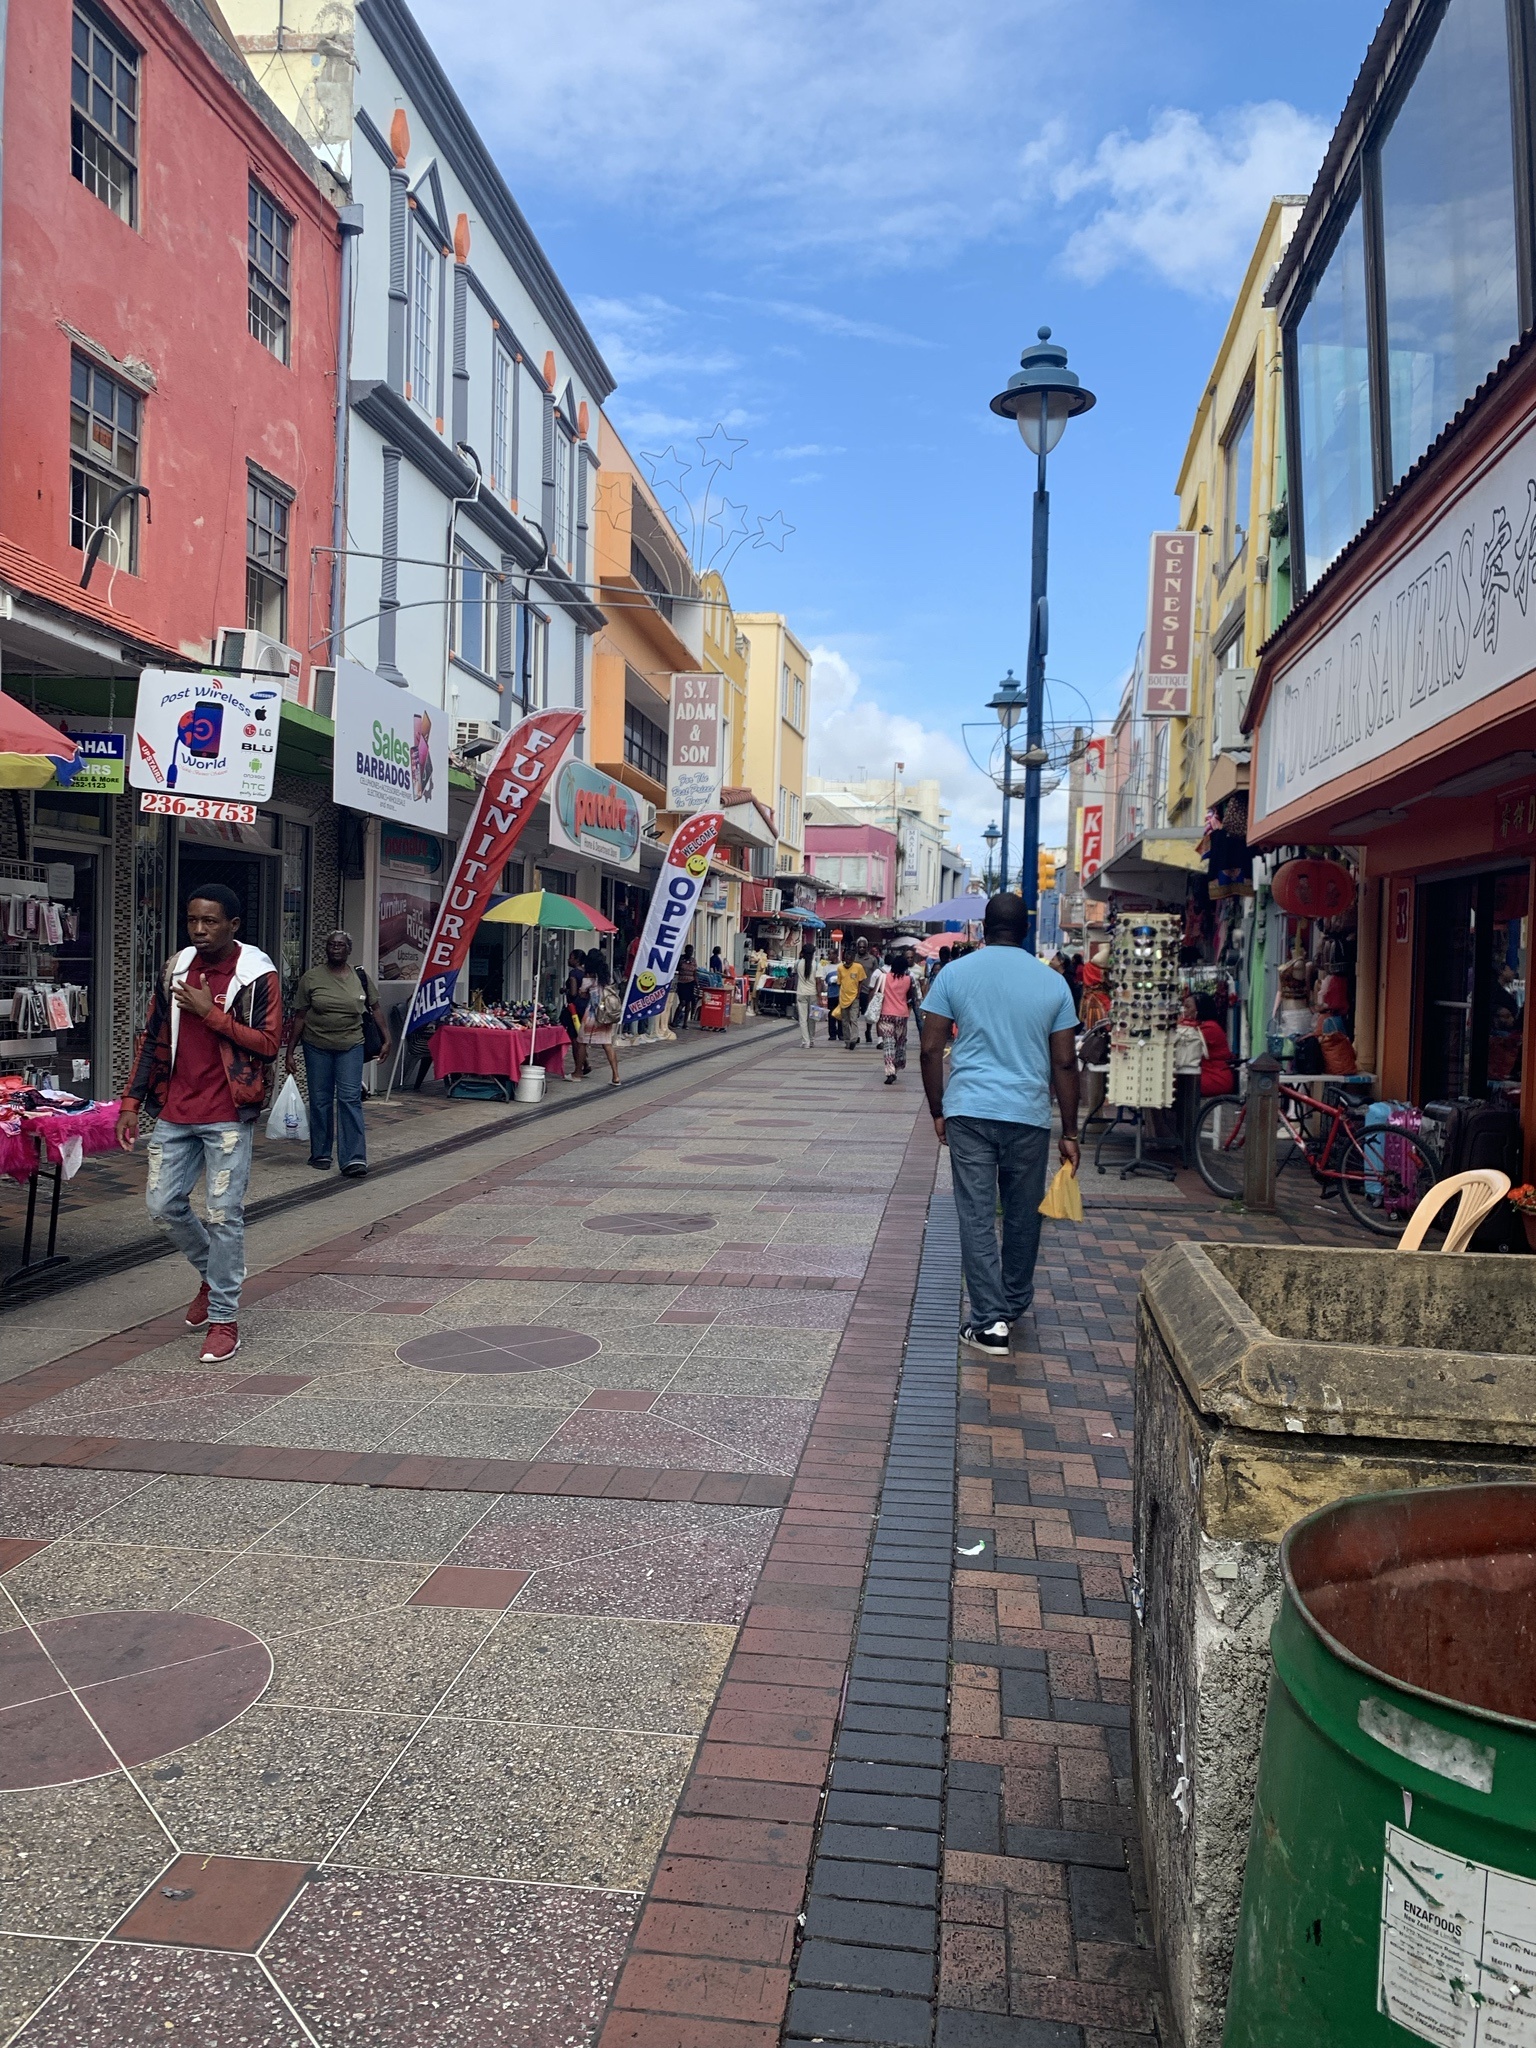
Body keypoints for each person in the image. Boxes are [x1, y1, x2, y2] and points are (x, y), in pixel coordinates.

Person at [115, 885, 282, 1364]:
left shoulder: (257, 975)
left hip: (228, 1113)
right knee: (163, 1207)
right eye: (192, 920)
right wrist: (131, 1101)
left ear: (233, 924)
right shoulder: (176, 968)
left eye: (210, 921)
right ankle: (215, 1276)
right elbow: (152, 1038)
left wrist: (211, 1014)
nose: (200, 930)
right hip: (174, 1111)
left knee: (224, 1214)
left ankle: (225, 1318)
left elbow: (269, 1043)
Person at [919, 893, 1079, 1357]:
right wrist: (1069, 1132)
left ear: (984, 928)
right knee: (1023, 1213)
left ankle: (989, 1321)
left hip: (968, 1109)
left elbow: (931, 1048)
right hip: (1028, 1114)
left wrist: (938, 1109)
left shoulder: (955, 973)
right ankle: (1010, 1303)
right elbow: (1065, 1063)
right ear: (1025, 930)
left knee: (976, 1213)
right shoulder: (1052, 983)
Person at [285, 930, 391, 1178]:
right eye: (331, 945)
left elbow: (375, 1008)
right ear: (326, 949)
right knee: (320, 1100)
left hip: (351, 1045)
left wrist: (387, 1038)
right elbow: (299, 1016)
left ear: (348, 950)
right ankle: (321, 1153)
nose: (335, 948)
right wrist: (290, 1052)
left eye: (340, 945)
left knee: (349, 1099)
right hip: (316, 1045)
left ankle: (354, 1158)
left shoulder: (360, 977)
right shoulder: (311, 978)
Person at [877, 953, 918, 1085]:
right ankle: (898, 1063)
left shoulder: (884, 977)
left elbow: (877, 993)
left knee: (888, 1043)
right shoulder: (909, 979)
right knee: (900, 1042)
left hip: (886, 1015)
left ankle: (890, 1071)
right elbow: (912, 997)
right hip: (902, 1014)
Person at [582, 948, 621, 1084]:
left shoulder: (589, 978)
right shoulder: (606, 977)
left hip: (593, 1015)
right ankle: (616, 1075)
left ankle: (577, 1072)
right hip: (606, 1014)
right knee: (607, 1044)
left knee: (582, 1042)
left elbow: (582, 993)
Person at [1195, 992, 1237, 1095]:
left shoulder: (1209, 1028)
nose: (1184, 1011)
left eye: (1187, 1007)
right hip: (1213, 1074)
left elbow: (1188, 1043)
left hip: (1215, 1078)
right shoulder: (1208, 1025)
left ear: (1198, 1009)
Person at [562, 948, 590, 1078]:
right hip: (585, 1007)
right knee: (582, 1038)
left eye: (571, 957)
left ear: (576, 960)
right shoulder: (585, 973)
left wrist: (565, 990)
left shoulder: (573, 973)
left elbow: (573, 993)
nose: (568, 959)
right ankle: (585, 1063)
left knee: (575, 1039)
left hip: (574, 1009)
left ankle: (577, 1069)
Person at [835, 953, 866, 1050]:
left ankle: (854, 1039)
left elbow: (861, 981)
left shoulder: (858, 967)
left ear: (853, 959)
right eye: (846, 960)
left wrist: (858, 993)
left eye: (850, 960)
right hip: (843, 998)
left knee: (853, 1019)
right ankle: (847, 1041)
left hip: (854, 997)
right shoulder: (840, 968)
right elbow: (839, 983)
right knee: (845, 1021)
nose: (848, 962)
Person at [794, 942, 819, 1050]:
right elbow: (819, 982)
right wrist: (820, 996)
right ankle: (812, 1039)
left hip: (801, 993)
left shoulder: (797, 963)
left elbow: (795, 975)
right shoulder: (817, 965)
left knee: (803, 1019)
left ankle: (806, 1041)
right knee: (813, 1017)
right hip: (813, 994)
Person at [674, 945, 699, 1030]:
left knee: (688, 1004)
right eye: (689, 951)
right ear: (685, 950)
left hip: (690, 983)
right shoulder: (681, 959)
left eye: (691, 951)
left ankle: (685, 1023)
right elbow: (676, 968)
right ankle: (675, 1021)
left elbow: (695, 973)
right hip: (682, 983)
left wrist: (697, 984)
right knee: (682, 1002)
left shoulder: (693, 960)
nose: (690, 952)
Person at [824, 956, 843, 1040]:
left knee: (840, 1014)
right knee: (831, 1014)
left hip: (841, 994)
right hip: (831, 994)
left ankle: (841, 1033)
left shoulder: (842, 966)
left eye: (830, 954)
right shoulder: (826, 967)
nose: (828, 955)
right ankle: (832, 1034)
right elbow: (824, 980)